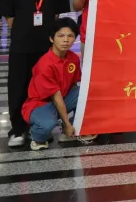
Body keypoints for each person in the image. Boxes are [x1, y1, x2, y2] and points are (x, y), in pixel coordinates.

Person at [3, 0, 72, 148]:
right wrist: (24, 32)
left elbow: (57, 16)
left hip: (47, 48)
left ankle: (41, 125)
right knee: (18, 86)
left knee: (46, 87)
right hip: (21, 45)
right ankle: (17, 129)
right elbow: (10, 17)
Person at [23, 18, 97, 150]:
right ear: (52, 39)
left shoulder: (73, 58)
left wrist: (75, 120)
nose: (66, 40)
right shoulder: (45, 64)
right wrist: (67, 123)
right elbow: (56, 97)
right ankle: (36, 135)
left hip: (62, 99)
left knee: (87, 93)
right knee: (47, 125)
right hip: (40, 104)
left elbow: (74, 86)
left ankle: (71, 132)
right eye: (61, 36)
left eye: (70, 36)